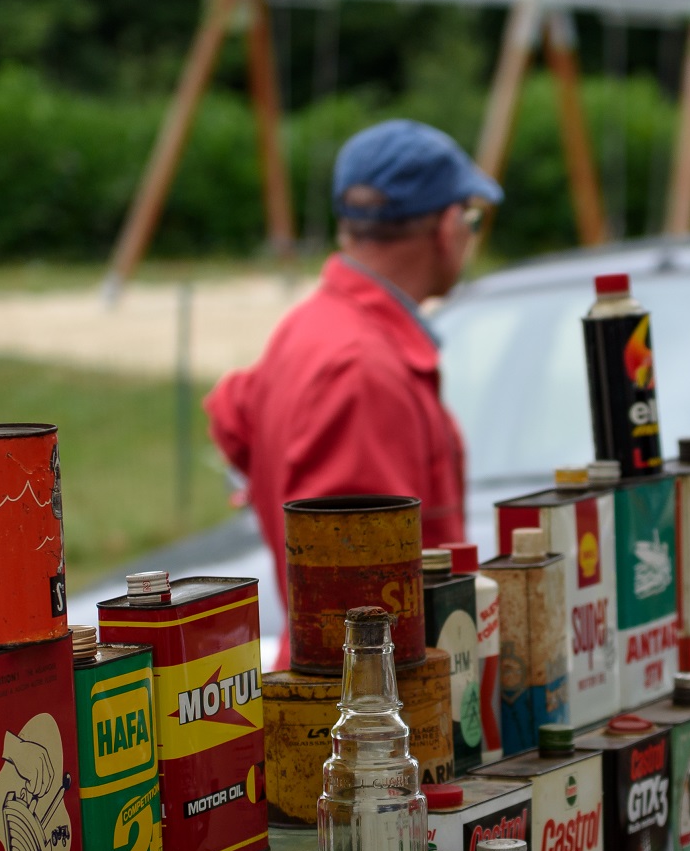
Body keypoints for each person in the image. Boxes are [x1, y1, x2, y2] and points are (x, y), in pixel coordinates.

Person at [205, 119, 502, 586]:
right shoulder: (360, 369)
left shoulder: (311, 328)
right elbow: (359, 597)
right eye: (472, 219)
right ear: (448, 227)